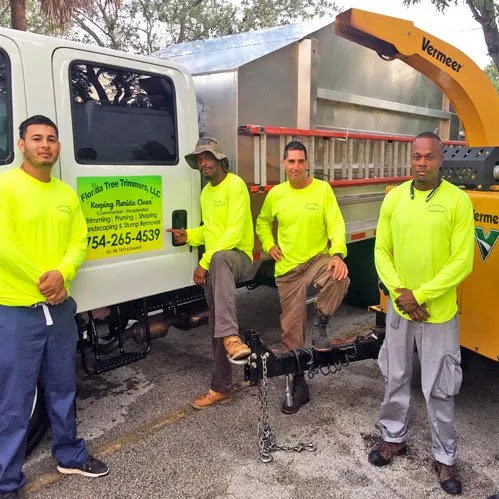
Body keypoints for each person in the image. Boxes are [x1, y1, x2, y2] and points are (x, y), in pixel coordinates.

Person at [0, 115, 109, 498]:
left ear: (58, 147)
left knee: (63, 387)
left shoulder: (66, 194)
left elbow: (79, 241)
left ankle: (69, 454)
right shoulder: (5, 186)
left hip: (60, 308)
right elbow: (4, 244)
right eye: (36, 139)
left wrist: (61, 274)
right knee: (14, 399)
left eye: (51, 139)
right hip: (16, 309)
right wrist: (43, 281)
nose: (44, 145)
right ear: (21, 144)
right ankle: (6, 481)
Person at [370, 132, 475, 496]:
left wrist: (421, 294)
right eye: (416, 156)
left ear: (441, 159)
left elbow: (462, 261)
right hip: (400, 310)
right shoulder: (395, 199)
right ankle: (393, 437)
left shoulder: (458, 202)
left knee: (440, 387)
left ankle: (445, 457)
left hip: (439, 313)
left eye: (429, 157)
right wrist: (402, 295)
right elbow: (382, 251)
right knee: (395, 375)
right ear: (410, 158)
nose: (421, 163)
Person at [255, 140, 350, 414]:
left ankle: (321, 324)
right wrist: (268, 242)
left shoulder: (322, 190)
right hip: (288, 267)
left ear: (307, 164)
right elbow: (263, 221)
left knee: (340, 276)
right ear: (284, 164)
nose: (296, 166)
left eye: (300, 161)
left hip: (316, 259)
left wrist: (338, 254)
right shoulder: (277, 194)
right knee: (291, 330)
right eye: (291, 161)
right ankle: (299, 384)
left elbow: (336, 223)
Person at [167, 137, 254, 410]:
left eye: (207, 157)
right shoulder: (206, 193)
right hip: (218, 262)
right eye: (200, 159)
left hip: (237, 257)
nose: (203, 163)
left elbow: (233, 233)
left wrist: (203, 262)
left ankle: (231, 337)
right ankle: (221, 387)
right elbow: (210, 230)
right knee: (218, 319)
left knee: (218, 258)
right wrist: (190, 235)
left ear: (219, 159)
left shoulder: (235, 185)